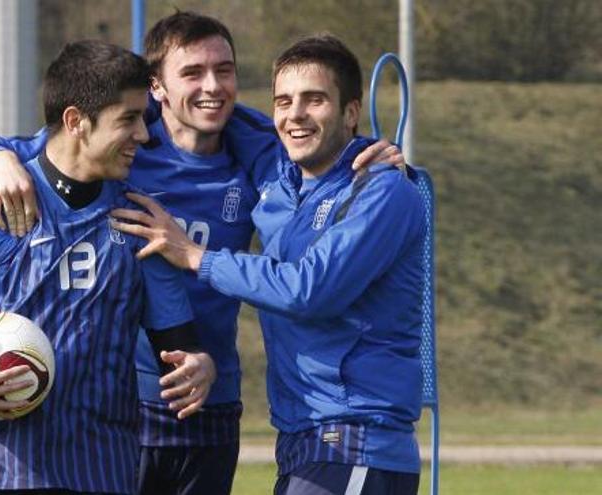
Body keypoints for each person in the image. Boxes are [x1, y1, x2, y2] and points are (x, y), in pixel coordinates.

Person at [0, 13, 403, 495]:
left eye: (224, 70)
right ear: (157, 87)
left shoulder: (257, 150)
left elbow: (324, 154)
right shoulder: (123, 143)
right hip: (128, 405)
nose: (213, 86)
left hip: (213, 403)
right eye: (192, 73)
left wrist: (375, 154)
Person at [111, 34, 426, 495]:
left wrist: (194, 256)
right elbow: (63, 140)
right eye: (283, 101)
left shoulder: (380, 190)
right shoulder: (279, 183)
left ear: (351, 113)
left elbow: (307, 290)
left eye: (314, 100)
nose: (295, 114)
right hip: (302, 438)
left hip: (356, 437)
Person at [0, 40, 216, 495]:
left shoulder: (143, 223)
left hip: (100, 474)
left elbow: (180, 347)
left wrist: (198, 365)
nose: (145, 136)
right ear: (76, 121)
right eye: (128, 120)